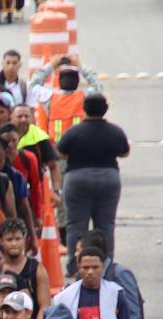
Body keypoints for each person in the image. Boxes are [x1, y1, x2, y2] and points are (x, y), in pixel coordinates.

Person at [58, 94, 128, 272]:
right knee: (106, 224)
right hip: (108, 178)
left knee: (76, 224)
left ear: (84, 108)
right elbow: (124, 153)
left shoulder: (74, 132)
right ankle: (106, 265)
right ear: (105, 109)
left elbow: (61, 153)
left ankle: (75, 265)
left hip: (77, 179)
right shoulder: (115, 131)